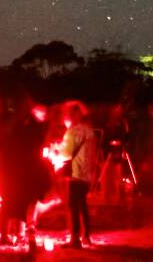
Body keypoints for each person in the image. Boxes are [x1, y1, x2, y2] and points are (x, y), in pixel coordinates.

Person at [0, 99, 51, 251]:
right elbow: (34, 144)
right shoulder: (27, 125)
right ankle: (19, 234)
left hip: (19, 170)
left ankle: (16, 233)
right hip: (22, 170)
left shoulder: (21, 124)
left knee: (15, 202)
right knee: (18, 202)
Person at [61, 102, 98, 248]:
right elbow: (94, 153)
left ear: (71, 116)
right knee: (83, 205)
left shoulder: (72, 132)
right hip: (87, 174)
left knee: (73, 206)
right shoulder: (89, 131)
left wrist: (56, 151)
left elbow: (66, 154)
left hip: (75, 173)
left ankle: (75, 238)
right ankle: (86, 235)